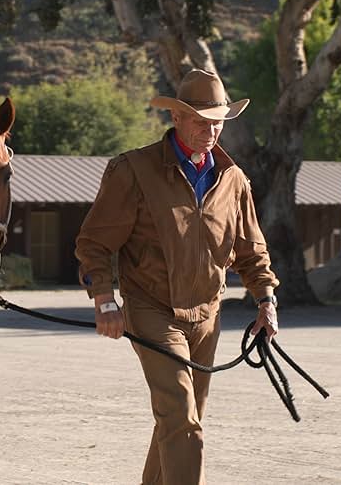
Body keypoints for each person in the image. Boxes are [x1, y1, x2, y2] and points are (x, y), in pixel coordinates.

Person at [75, 68, 280, 485]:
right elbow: (94, 243)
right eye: (202, 120)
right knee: (183, 419)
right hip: (152, 309)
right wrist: (105, 299)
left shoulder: (234, 180)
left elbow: (251, 249)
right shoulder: (132, 171)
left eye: (218, 120)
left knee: (179, 420)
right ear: (177, 118)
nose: (212, 129)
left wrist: (266, 301)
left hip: (207, 315)